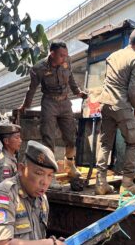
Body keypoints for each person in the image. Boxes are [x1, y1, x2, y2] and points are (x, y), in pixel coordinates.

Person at [18, 41, 87, 184]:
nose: (64, 58)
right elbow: (32, 88)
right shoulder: (39, 68)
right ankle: (49, 172)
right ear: (52, 53)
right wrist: (26, 105)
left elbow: (71, 78)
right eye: (61, 55)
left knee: (71, 136)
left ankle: (69, 164)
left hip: (65, 102)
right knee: (48, 137)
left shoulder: (67, 61)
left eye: (66, 55)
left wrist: (77, 92)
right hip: (49, 102)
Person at [94, 27, 135, 195]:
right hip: (122, 105)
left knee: (105, 144)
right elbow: (133, 91)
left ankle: (100, 184)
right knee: (132, 143)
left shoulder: (113, 56)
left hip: (106, 104)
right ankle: (127, 184)